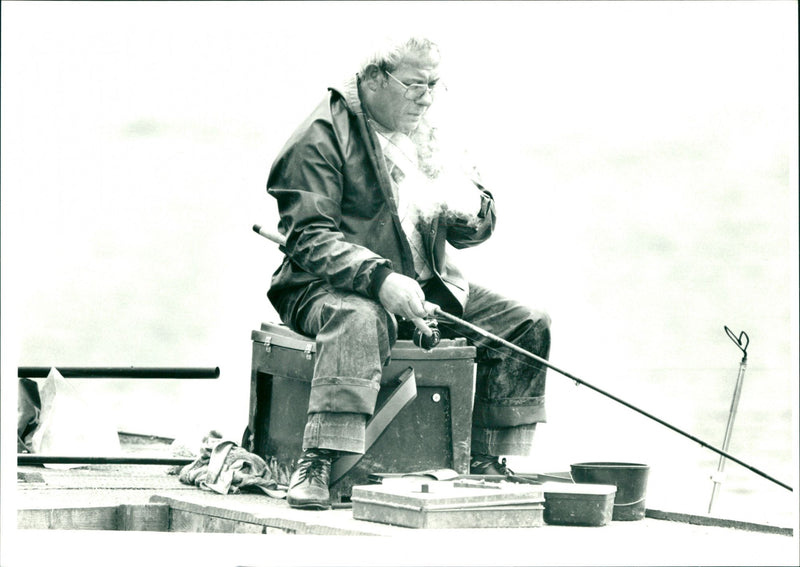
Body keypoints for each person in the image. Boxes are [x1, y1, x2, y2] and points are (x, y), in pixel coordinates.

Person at [266, 35, 551, 510]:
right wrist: (381, 280)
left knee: (526, 322)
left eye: (435, 84)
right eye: (416, 84)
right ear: (374, 77)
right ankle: (318, 457)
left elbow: (470, 230)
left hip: (422, 286)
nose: (427, 97)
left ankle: (487, 457)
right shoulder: (318, 137)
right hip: (323, 287)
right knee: (359, 319)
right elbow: (310, 240)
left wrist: (474, 213)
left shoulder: (429, 131)